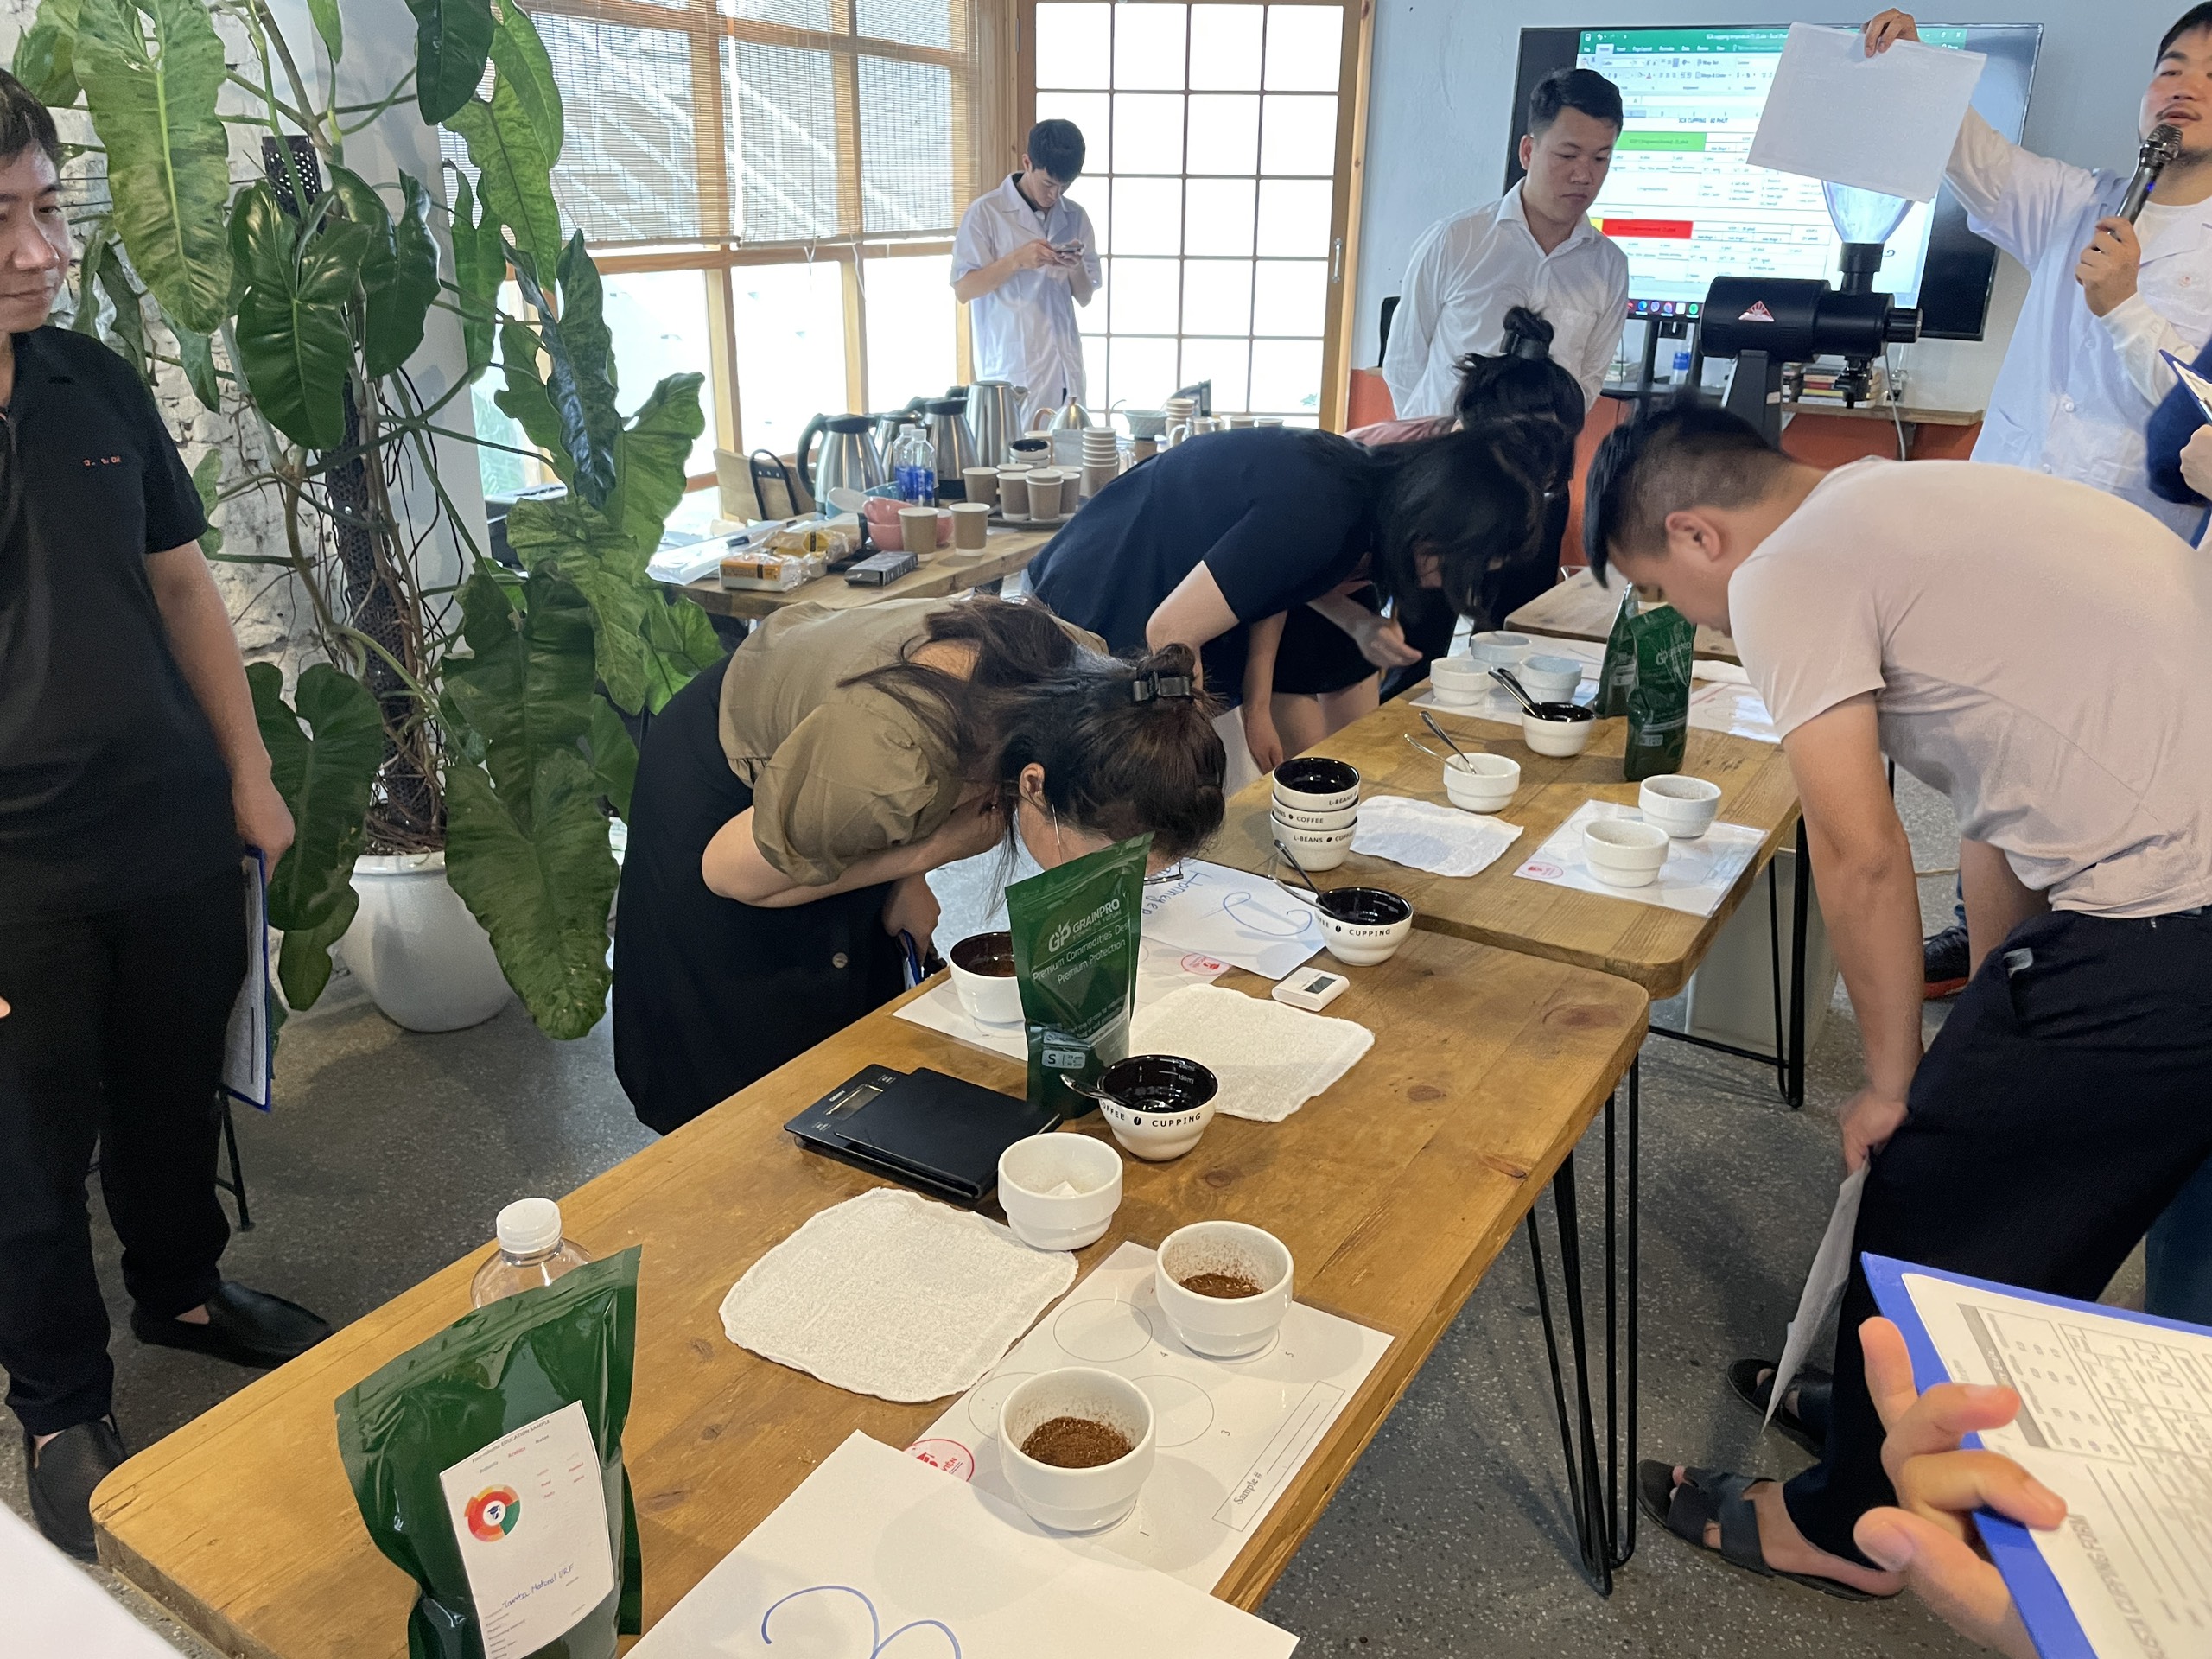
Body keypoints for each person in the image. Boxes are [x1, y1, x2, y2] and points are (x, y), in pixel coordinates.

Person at [1585, 405, 2212, 1598]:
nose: (1687, 619)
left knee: (1920, 1185)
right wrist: (1990, 1027)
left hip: (2169, 927)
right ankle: (1909, 1427)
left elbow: (1860, 851)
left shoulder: (1785, 572)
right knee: (2000, 1164)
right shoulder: (1905, 500)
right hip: (2170, 898)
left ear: (1697, 533)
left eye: (1661, 590)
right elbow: (1995, 804)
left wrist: (1888, 1082)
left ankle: (1851, 1525)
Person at [0, 73, 330, 1561]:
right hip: (16, 869)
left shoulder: (90, 380)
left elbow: (184, 582)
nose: (41, 250)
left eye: (47, 208)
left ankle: (182, 1293)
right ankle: (60, 1405)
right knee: (24, 1149)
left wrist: (247, 772)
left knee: (167, 1089)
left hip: (167, 821)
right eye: (2, 220)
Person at [1866, 7, 2212, 995]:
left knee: (2091, 779)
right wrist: (1915, 65)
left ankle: (2065, 979)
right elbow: (1971, 154)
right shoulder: (2079, 201)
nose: (2182, 85)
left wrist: (2125, 308)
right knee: (1995, 754)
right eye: (2170, 65)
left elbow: (2201, 427)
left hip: (2131, 558)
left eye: (2211, 74)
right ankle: (1985, 953)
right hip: (2008, 532)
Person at [611, 596, 1225, 1134]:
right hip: (729, 803)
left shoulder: (1107, 701)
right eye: (1103, 867)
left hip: (842, 759)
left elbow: (921, 775)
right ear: (1034, 786)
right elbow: (730, 874)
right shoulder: (890, 762)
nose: (1109, 888)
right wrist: (932, 849)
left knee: (848, 1017)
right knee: (743, 1065)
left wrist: (908, 876)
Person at [1025, 423, 1548, 772]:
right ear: (1436, 523)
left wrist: (1258, 707)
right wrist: (1189, 752)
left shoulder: (1363, 496)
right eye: (1454, 566)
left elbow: (1270, 583)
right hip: (1101, 585)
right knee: (1157, 789)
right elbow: (1171, 632)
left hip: (1166, 592)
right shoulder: (1325, 509)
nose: (1440, 585)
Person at [1351, 306, 1586, 699]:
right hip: (1385, 551)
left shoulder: (1542, 487)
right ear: (1470, 437)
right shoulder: (1400, 466)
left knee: (1507, 639)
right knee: (1414, 653)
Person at [951, 119, 1101, 434]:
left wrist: (1074, 266)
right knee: (1016, 457)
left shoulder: (1075, 216)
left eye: (1065, 186)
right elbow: (964, 289)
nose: (1055, 194)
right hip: (1014, 372)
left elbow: (1086, 297)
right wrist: (1016, 260)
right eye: (1048, 183)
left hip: (1066, 371)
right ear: (1027, 163)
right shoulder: (985, 213)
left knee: (1072, 457)